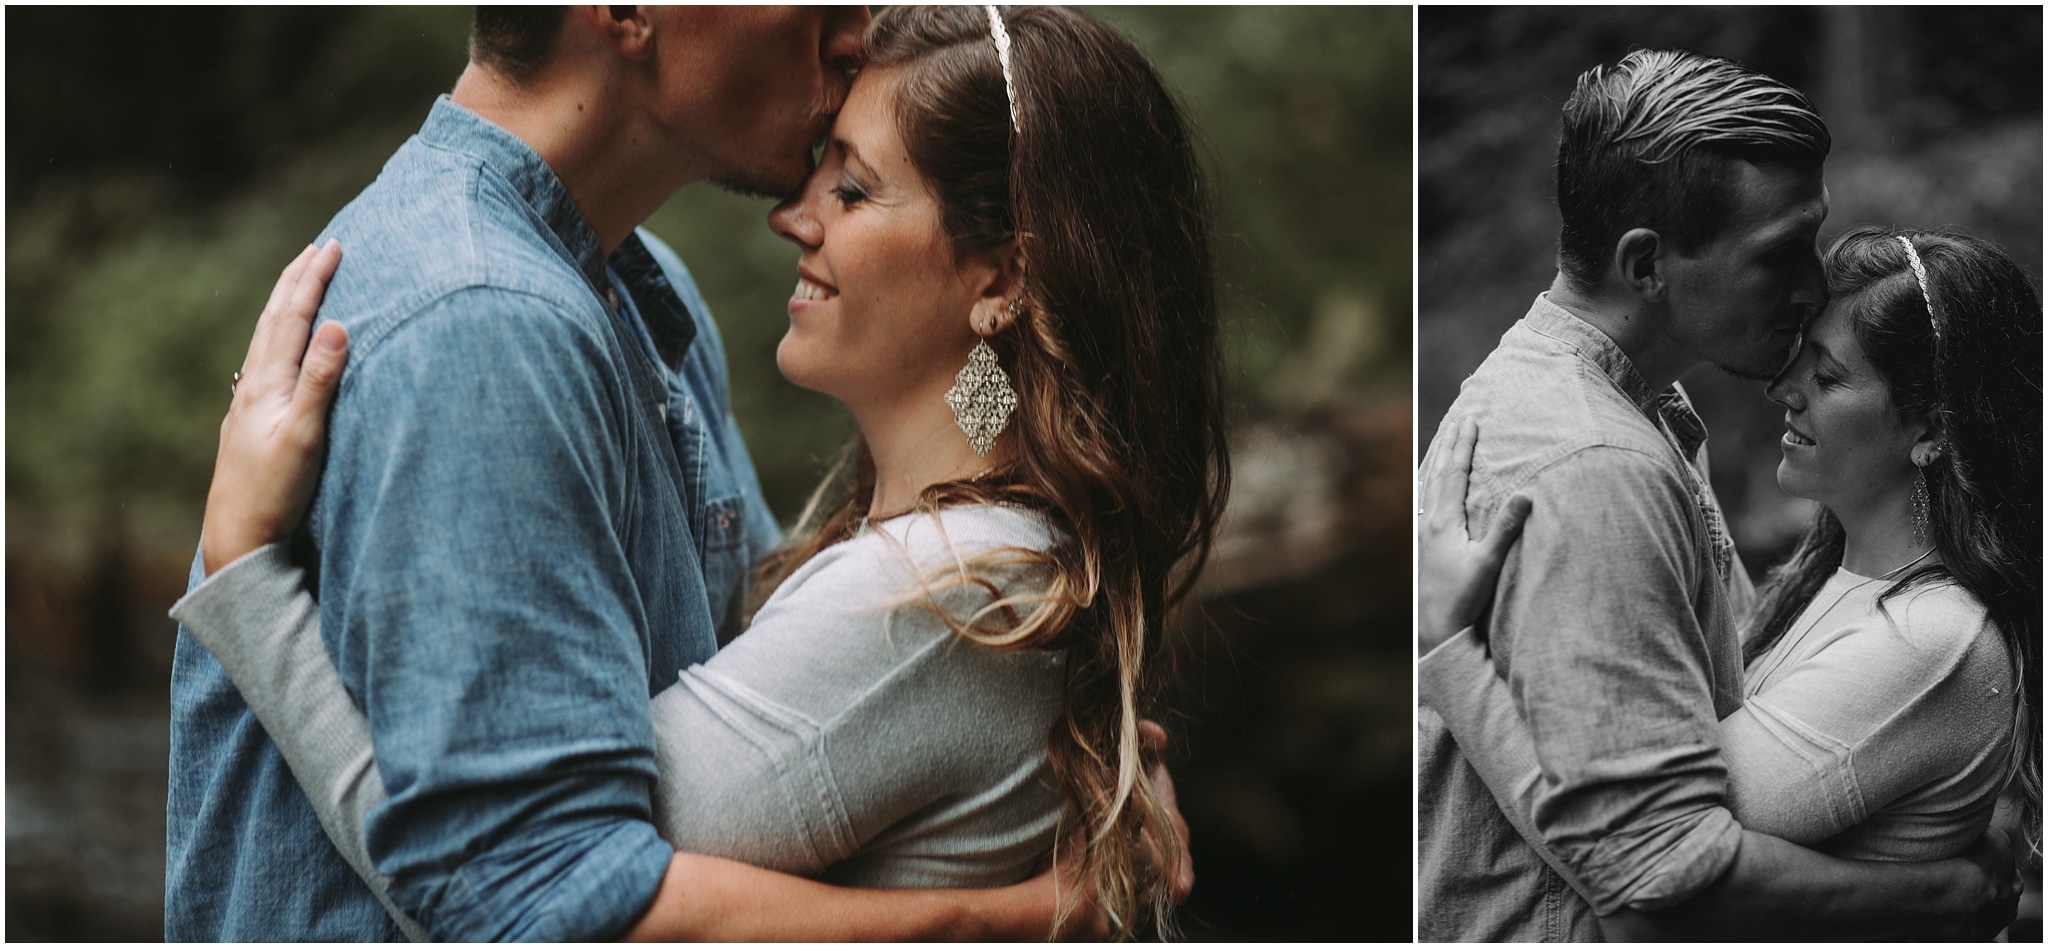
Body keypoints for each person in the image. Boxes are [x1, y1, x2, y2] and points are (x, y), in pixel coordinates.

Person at [171, 5, 1216, 942]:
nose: (851, 23)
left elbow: (808, 673)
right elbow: (533, 894)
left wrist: (247, 577)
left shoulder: (640, 294)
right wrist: (1000, 912)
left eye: (854, 190)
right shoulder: (486, 323)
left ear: (1001, 279)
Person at [1412, 48, 2020, 941]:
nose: (1810, 289)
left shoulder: (1648, 416)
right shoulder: (1596, 466)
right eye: (1779, 254)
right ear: (1648, 264)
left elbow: (1702, 729)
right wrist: (1940, 895)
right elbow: (1655, 865)